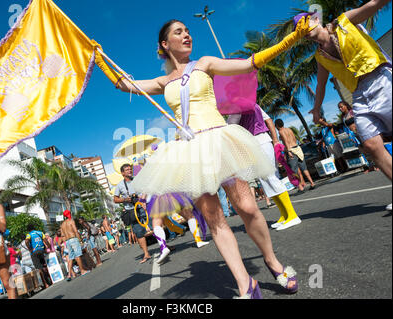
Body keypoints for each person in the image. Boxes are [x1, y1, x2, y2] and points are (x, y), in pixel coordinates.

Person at [109, 18, 312, 298]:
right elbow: (125, 84)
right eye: (179, 32)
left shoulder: (205, 63)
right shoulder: (161, 81)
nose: (187, 35)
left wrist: (290, 39)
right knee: (215, 219)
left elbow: (251, 63)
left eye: (188, 31)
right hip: (189, 151)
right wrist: (95, 58)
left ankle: (272, 261)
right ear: (165, 45)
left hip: (220, 142)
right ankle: (245, 283)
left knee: (248, 208)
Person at [302, 0, 391, 210]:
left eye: (307, 23)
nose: (305, 30)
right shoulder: (319, 56)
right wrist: (316, 108)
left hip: (380, 77)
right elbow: (321, 85)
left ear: (318, 20)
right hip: (359, 93)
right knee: (370, 144)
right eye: (301, 31)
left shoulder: (344, 21)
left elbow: (373, 5)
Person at [228, 105, 302, 230]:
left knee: (270, 177)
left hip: (259, 141)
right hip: (257, 143)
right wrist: (274, 140)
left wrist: (276, 140)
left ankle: (292, 215)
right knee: (265, 180)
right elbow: (268, 120)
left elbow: (231, 126)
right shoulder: (252, 104)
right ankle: (284, 215)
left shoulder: (240, 107)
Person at [114, 163, 152, 264]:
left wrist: (143, 200)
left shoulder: (137, 179)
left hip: (144, 206)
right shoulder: (120, 185)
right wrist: (125, 199)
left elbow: (147, 189)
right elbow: (115, 199)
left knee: (155, 225)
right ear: (122, 173)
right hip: (132, 211)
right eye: (127, 170)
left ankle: (164, 246)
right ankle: (146, 254)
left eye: (130, 169)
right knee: (139, 233)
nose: (129, 171)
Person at [275, 119, 316, 193]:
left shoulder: (281, 131)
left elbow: (286, 141)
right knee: (304, 168)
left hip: (291, 150)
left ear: (277, 125)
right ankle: (312, 183)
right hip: (297, 148)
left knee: (293, 170)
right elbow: (294, 138)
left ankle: (300, 187)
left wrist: (288, 151)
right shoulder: (289, 129)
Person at [60, 210, 90, 277]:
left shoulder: (62, 224)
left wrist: (66, 243)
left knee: (71, 257)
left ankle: (69, 274)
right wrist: (80, 240)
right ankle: (82, 271)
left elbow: (62, 235)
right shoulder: (71, 221)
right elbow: (75, 231)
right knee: (78, 255)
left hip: (67, 241)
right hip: (73, 239)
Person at [25, 224, 51, 289]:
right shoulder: (40, 232)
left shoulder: (29, 234)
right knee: (44, 266)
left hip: (34, 253)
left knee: (39, 269)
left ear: (28, 230)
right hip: (41, 251)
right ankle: (51, 279)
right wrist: (49, 248)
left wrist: (30, 249)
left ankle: (45, 284)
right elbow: (46, 241)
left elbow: (26, 241)